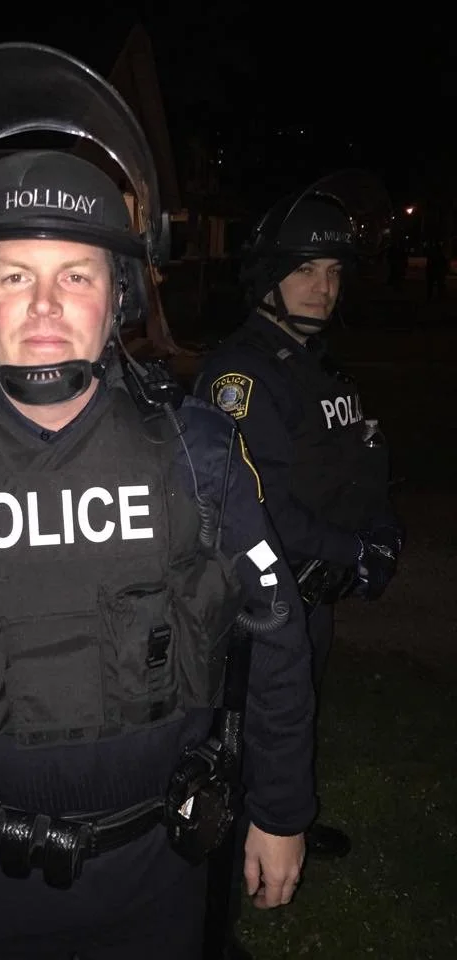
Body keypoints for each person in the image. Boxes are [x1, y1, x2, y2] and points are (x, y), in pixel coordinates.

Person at [0, 44, 315, 960]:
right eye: (13, 275)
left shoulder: (199, 455)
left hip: (159, 879)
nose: (44, 304)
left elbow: (271, 634)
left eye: (75, 274)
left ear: (116, 297)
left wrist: (280, 809)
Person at [195, 175, 403, 858]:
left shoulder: (314, 364)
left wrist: (379, 529)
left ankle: (283, 818)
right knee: (252, 722)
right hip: (263, 599)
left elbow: (348, 461)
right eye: (305, 269)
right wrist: (354, 550)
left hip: (313, 592)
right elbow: (260, 510)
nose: (324, 286)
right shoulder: (244, 375)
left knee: (294, 710)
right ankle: (234, 849)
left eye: (334, 270)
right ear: (267, 276)